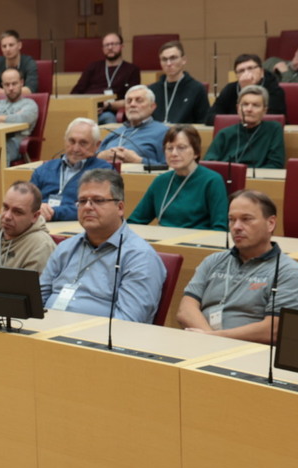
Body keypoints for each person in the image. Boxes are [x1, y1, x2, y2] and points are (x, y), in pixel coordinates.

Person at [176, 190, 298, 340]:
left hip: (249, 354)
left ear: (270, 223)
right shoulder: (213, 261)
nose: (236, 227)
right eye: (232, 219)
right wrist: (210, 339)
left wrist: (215, 338)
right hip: (201, 342)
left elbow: (274, 329)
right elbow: (186, 309)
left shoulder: (287, 271)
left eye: (246, 219)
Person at [39, 169, 166, 323]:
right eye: (82, 201)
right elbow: (37, 300)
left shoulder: (140, 257)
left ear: (120, 208)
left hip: (92, 342)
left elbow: (128, 323)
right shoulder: (66, 247)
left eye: (98, 201)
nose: (87, 207)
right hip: (45, 333)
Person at [128, 125, 228, 230]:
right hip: (163, 241)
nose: (174, 153)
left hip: (195, 243)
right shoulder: (160, 181)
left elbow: (220, 228)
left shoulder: (212, 181)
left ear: (196, 152)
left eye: (181, 147)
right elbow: (135, 221)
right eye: (169, 148)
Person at [31, 118, 113, 221]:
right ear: (65, 140)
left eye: (83, 143)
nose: (75, 149)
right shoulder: (43, 170)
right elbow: (27, 203)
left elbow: (93, 208)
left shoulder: (103, 172)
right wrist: (38, 208)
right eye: (72, 141)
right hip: (39, 226)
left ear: (96, 145)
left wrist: (54, 212)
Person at [204, 85, 286, 169]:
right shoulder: (224, 133)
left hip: (258, 179)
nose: (249, 109)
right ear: (238, 108)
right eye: (245, 104)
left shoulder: (273, 129)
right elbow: (209, 161)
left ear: (264, 110)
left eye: (255, 105)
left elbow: (276, 164)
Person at [70, 32, 141, 124]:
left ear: (122, 46)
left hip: (109, 112)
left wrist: (107, 105)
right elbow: (75, 93)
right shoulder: (92, 67)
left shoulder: (131, 69)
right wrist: (88, 106)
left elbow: (132, 99)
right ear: (102, 49)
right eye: (106, 45)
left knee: (108, 118)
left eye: (114, 44)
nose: (110, 48)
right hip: (87, 110)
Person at [0, 68, 39, 163]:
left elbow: (21, 119)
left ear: (21, 83)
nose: (11, 88)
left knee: (0, 152)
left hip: (15, 142)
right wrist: (5, 119)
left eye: (14, 84)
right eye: (7, 84)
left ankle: (0, 178)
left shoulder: (30, 104)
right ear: (2, 86)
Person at [97, 84, 168, 165]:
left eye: (139, 100)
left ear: (152, 106)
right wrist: (100, 156)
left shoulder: (163, 132)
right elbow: (90, 162)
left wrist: (139, 161)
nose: (132, 104)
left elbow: (170, 169)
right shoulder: (115, 132)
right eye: (129, 101)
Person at [206, 53, 287, 123]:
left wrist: (248, 89)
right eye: (241, 71)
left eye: (250, 68)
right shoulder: (230, 89)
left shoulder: (274, 90)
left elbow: (271, 120)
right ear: (236, 76)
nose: (246, 73)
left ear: (262, 72)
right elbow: (210, 118)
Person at [149, 41, 209, 124]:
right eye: (164, 59)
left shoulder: (197, 89)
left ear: (184, 60)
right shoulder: (151, 90)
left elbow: (202, 122)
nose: (169, 63)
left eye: (173, 58)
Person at [0, 30, 39, 97]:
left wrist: (3, 92)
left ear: (19, 45)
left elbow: (30, 89)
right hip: (2, 103)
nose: (7, 49)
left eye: (11, 45)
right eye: (4, 46)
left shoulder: (29, 63)